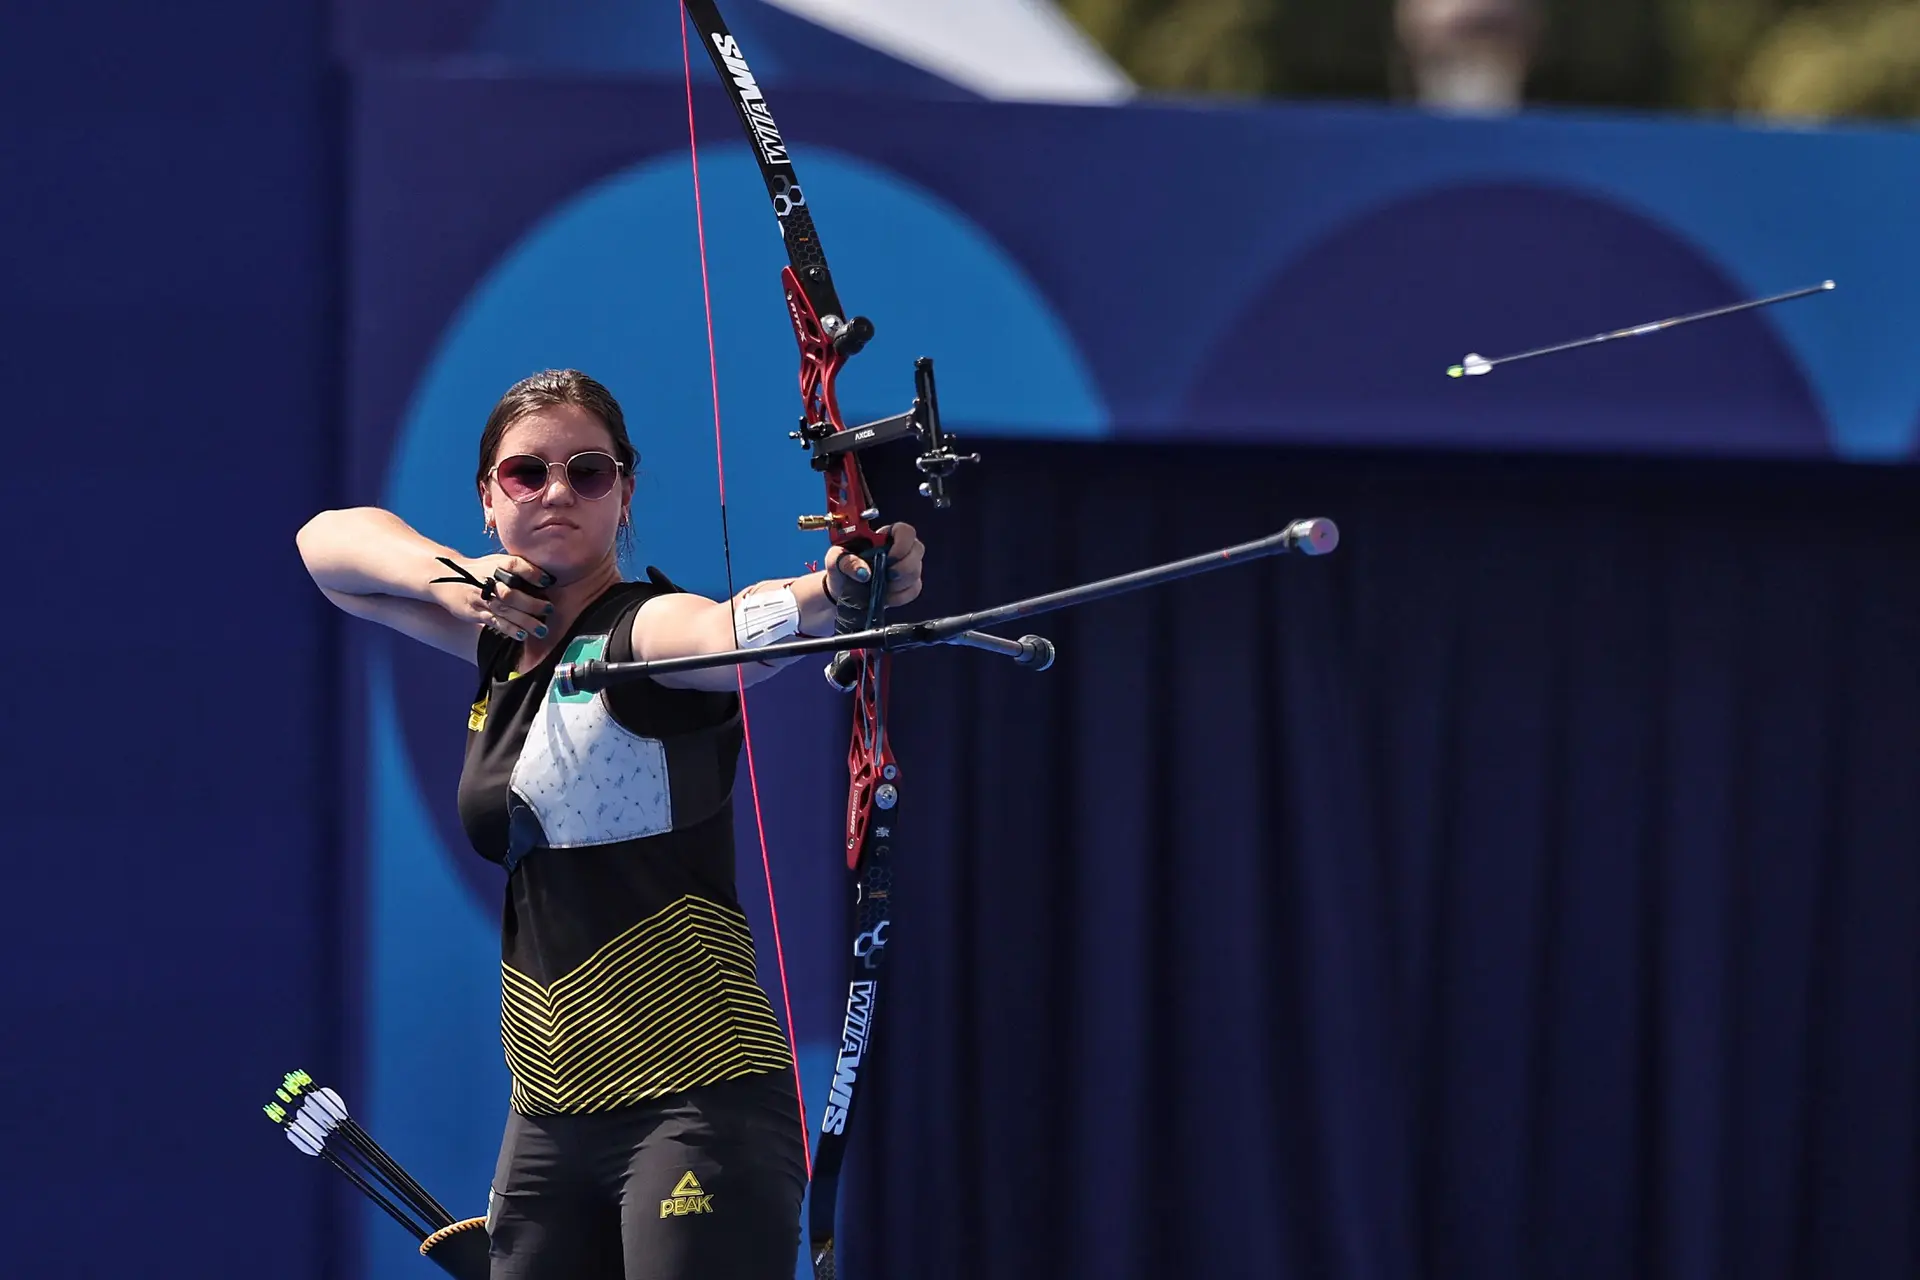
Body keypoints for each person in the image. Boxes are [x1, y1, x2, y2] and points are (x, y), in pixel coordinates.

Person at [296, 368, 926, 1279]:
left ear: (624, 492)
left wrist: (834, 589)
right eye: (527, 473)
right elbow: (328, 548)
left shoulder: (643, 633)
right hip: (548, 1121)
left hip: (697, 1103)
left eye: (588, 472)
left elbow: (723, 635)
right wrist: (464, 581)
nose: (557, 492)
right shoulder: (497, 641)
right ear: (488, 498)